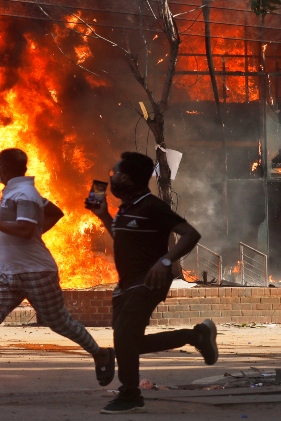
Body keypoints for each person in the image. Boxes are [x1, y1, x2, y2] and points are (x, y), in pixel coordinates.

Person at [0, 148, 116, 397]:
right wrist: (36, 231)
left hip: (36, 271)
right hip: (6, 270)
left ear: (6, 169)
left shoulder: (24, 194)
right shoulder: (15, 190)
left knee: (59, 323)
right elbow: (55, 212)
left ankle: (101, 353)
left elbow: (23, 229)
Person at [86, 151, 219, 414]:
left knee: (124, 339)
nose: (111, 178)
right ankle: (197, 336)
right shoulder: (126, 208)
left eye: (114, 174)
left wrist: (166, 261)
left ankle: (130, 394)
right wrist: (103, 216)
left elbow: (191, 234)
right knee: (129, 343)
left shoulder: (152, 206)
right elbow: (123, 239)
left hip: (149, 281)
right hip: (126, 284)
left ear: (126, 177)